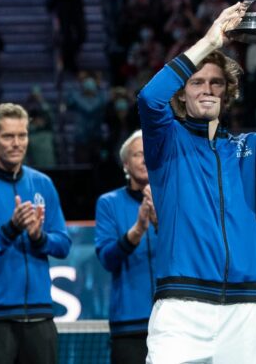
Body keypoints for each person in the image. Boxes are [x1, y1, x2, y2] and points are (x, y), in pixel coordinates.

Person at [136, 3, 256, 362]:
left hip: (243, 310)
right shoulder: (166, 141)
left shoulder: (246, 149)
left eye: (216, 82)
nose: (207, 89)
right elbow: (149, 98)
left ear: (227, 91)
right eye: (197, 82)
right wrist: (210, 40)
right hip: (181, 308)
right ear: (181, 93)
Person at [0, 103, 71, 364]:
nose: (17, 143)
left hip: (40, 316)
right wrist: (11, 229)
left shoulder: (42, 183)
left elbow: (63, 245)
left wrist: (38, 237)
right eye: (8, 136)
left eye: (22, 135)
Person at [96, 130, 158, 364]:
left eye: (150, 153)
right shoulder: (108, 204)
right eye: (138, 154)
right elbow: (107, 259)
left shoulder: (175, 199)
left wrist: (161, 226)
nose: (145, 159)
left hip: (174, 321)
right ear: (125, 164)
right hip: (129, 325)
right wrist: (138, 230)